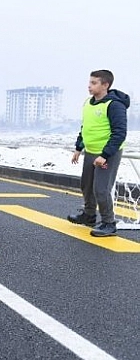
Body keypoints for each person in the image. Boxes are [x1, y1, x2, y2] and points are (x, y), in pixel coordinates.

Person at [67, 70, 129, 237]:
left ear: (105, 85)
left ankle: (109, 223)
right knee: (86, 186)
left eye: (94, 83)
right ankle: (89, 215)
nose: (89, 86)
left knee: (101, 189)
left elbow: (119, 133)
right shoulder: (88, 103)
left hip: (107, 154)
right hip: (91, 152)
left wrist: (105, 155)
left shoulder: (114, 105)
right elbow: (86, 128)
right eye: (90, 82)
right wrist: (78, 148)